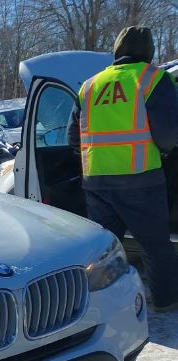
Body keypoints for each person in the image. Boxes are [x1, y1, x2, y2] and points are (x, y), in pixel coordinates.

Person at [67, 26, 178, 312]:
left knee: (104, 251)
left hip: (97, 182)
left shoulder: (89, 85)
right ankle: (166, 301)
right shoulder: (153, 79)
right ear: (149, 51)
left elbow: (73, 138)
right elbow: (168, 135)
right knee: (155, 247)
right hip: (141, 180)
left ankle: (98, 306)